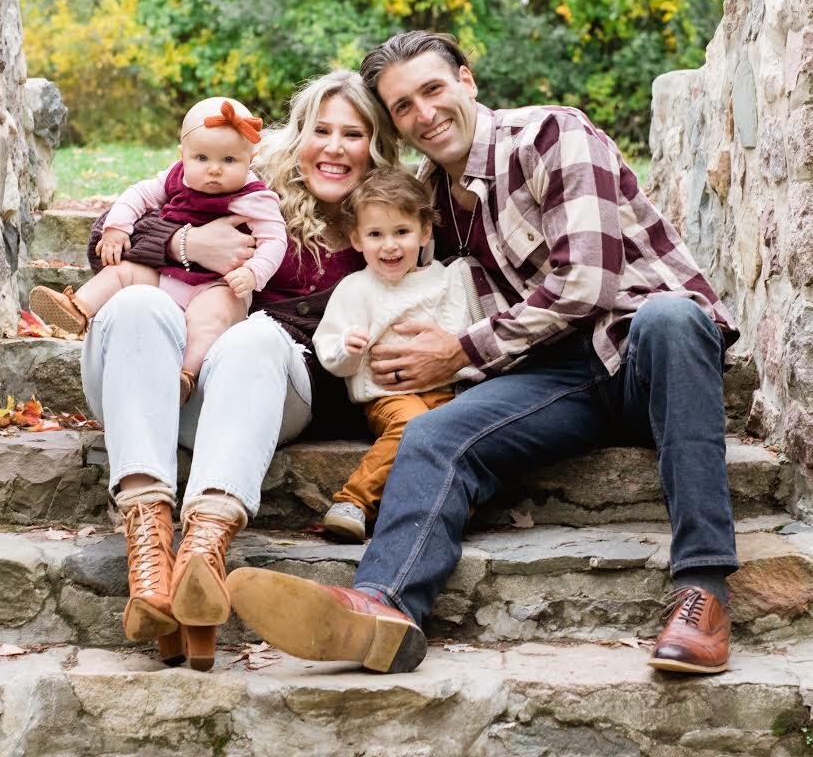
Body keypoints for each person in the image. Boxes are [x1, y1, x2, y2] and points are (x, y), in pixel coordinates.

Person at [228, 31, 741, 676]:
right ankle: (381, 607)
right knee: (434, 433)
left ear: (467, 82)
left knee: (671, 316)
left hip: (646, 355)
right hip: (558, 377)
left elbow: (586, 283)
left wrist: (459, 350)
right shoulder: (432, 196)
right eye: (403, 106)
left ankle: (704, 591)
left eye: (433, 89)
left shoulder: (553, 136)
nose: (424, 113)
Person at [78, 70, 399, 671]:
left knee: (260, 333)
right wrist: (184, 246)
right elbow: (106, 238)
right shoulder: (241, 180)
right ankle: (149, 550)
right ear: (296, 136)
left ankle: (204, 547)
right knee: (139, 302)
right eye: (320, 130)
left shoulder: (391, 224)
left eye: (352, 134)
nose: (333, 147)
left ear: (376, 144)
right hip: (146, 382)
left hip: (257, 401)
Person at [29, 97, 288, 404]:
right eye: (201, 158)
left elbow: (275, 240)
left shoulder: (256, 197)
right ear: (183, 155)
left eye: (229, 161)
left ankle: (186, 375)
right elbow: (138, 195)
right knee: (123, 273)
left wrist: (253, 271)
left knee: (212, 316)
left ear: (250, 159)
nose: (214, 170)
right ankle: (78, 307)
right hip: (166, 275)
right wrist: (117, 227)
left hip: (216, 285)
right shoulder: (174, 177)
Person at [311, 167, 485, 543]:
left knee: (457, 435)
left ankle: (444, 504)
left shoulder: (446, 279)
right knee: (414, 427)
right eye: (375, 235)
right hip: (389, 396)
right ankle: (353, 501)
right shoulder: (357, 289)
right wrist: (349, 349)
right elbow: (329, 349)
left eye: (401, 233)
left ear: (424, 232)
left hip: (446, 392)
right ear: (356, 239)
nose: (389, 246)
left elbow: (465, 337)